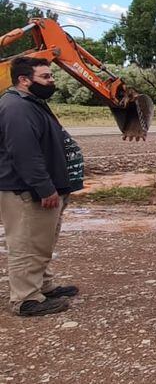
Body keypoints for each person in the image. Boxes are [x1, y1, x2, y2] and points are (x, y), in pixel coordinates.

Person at [0, 57, 82, 317]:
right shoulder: (16, 108)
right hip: (25, 190)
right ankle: (26, 299)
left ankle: (43, 285)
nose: (52, 81)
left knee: (42, 239)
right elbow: (24, 153)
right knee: (26, 242)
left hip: (43, 187)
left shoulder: (31, 103)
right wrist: (45, 188)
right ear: (24, 80)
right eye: (45, 76)